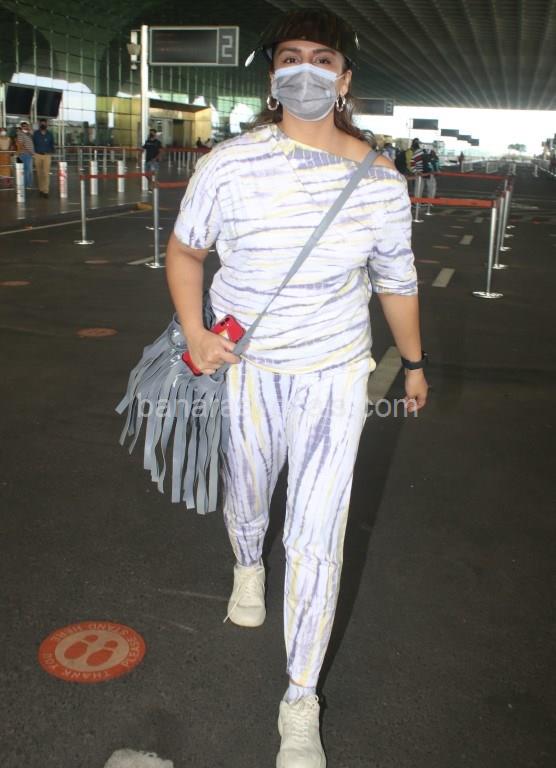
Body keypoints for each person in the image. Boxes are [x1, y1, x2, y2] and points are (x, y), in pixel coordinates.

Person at [166, 9, 428, 767]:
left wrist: (413, 363)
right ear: (272, 76)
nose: (305, 71)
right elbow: (186, 253)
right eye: (290, 58)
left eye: (322, 59)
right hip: (248, 368)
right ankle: (247, 565)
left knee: (317, 536)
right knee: (248, 489)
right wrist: (195, 332)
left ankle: (300, 698)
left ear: (344, 80)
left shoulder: (380, 181)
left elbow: (397, 283)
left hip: (335, 374)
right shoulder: (228, 164)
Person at [33, 118, 55, 197]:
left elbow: (52, 144)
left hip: (47, 155)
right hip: (37, 155)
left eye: (44, 123)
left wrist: (51, 152)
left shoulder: (50, 134)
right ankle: (41, 189)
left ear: (46, 124)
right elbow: (33, 143)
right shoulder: (36, 134)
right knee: (39, 173)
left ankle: (46, 191)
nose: (43, 125)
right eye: (41, 123)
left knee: (46, 173)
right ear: (39, 124)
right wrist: (33, 153)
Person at [16, 121, 34, 189]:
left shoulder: (29, 134)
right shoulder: (20, 134)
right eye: (23, 126)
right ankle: (26, 185)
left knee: (28, 170)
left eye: (26, 126)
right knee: (27, 170)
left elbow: (33, 133)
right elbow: (21, 144)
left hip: (29, 154)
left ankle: (27, 184)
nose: (25, 127)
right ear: (21, 127)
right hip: (25, 154)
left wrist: (30, 129)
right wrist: (29, 151)